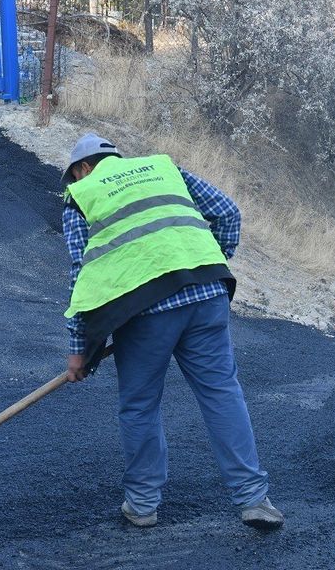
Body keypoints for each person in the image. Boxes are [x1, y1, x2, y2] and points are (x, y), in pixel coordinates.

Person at [59, 134, 283, 531]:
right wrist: (209, 259)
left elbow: (83, 273)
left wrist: (81, 349)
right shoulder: (163, 169)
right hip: (206, 292)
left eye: (74, 175)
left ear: (83, 168)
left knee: (140, 404)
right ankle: (254, 499)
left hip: (142, 311)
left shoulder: (81, 194)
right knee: (221, 393)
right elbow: (228, 212)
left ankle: (143, 505)